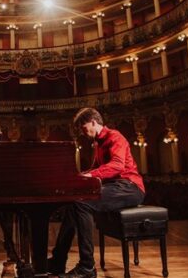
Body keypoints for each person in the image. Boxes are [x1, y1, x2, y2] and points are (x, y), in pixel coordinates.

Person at [49, 107, 146, 278]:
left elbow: (117, 166)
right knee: (73, 203)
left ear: (93, 122)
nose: (83, 133)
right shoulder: (99, 143)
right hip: (117, 187)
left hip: (130, 187)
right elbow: (97, 169)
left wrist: (89, 175)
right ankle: (58, 261)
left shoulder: (115, 136)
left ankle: (87, 267)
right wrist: (79, 176)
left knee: (81, 202)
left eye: (83, 128)